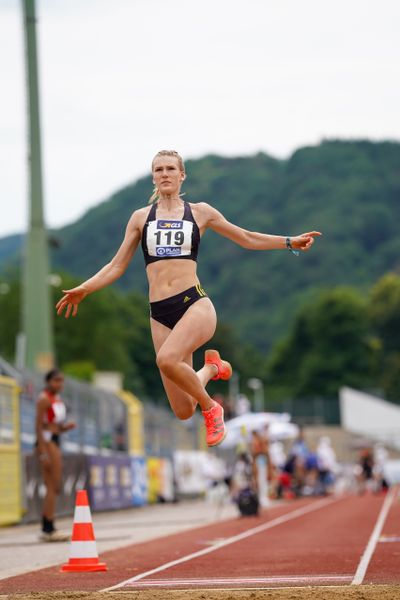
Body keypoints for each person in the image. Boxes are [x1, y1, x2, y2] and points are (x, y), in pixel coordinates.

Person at [56, 150, 321, 446]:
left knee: (166, 359)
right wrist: (85, 288)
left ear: (182, 176)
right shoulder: (141, 218)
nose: (165, 174)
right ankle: (211, 369)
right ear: (153, 177)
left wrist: (288, 241)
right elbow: (117, 265)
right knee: (183, 409)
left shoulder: (200, 212)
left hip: (194, 304)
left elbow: (245, 237)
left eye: (171, 169)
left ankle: (213, 409)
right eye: (159, 170)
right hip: (159, 313)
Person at [35, 369, 76, 541]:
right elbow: (38, 426)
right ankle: (48, 527)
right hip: (47, 442)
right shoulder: (43, 399)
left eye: (61, 381)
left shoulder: (56, 399)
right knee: (52, 485)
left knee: (55, 485)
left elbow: (54, 424)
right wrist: (43, 453)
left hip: (55, 439)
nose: (59, 384)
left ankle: (49, 523)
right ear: (48, 381)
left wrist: (65, 428)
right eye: (56, 380)